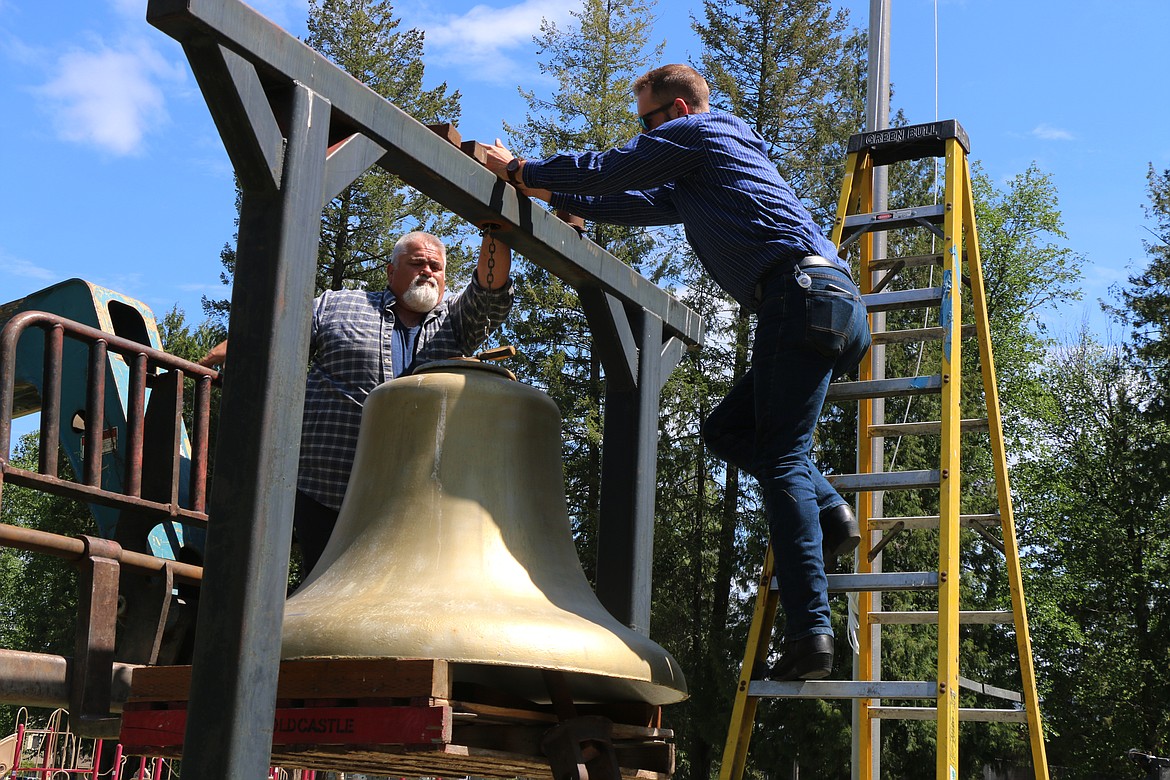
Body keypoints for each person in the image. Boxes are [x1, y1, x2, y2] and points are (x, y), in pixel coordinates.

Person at [483, 64, 869, 680]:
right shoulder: (706, 168)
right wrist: (552, 195)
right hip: (830, 306)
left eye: (649, 121)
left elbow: (615, 168)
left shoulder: (703, 134)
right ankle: (830, 513)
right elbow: (636, 201)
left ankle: (812, 635)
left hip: (798, 299)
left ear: (681, 112)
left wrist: (522, 172)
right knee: (727, 432)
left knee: (784, 456)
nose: (644, 132)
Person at [200, 228, 514, 572]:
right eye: (416, 263)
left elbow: (490, 291)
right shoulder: (338, 305)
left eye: (435, 267)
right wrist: (237, 347)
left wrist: (496, 226)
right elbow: (280, 332)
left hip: (417, 499)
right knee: (318, 589)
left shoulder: (456, 320)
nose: (427, 271)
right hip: (327, 488)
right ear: (391, 272)